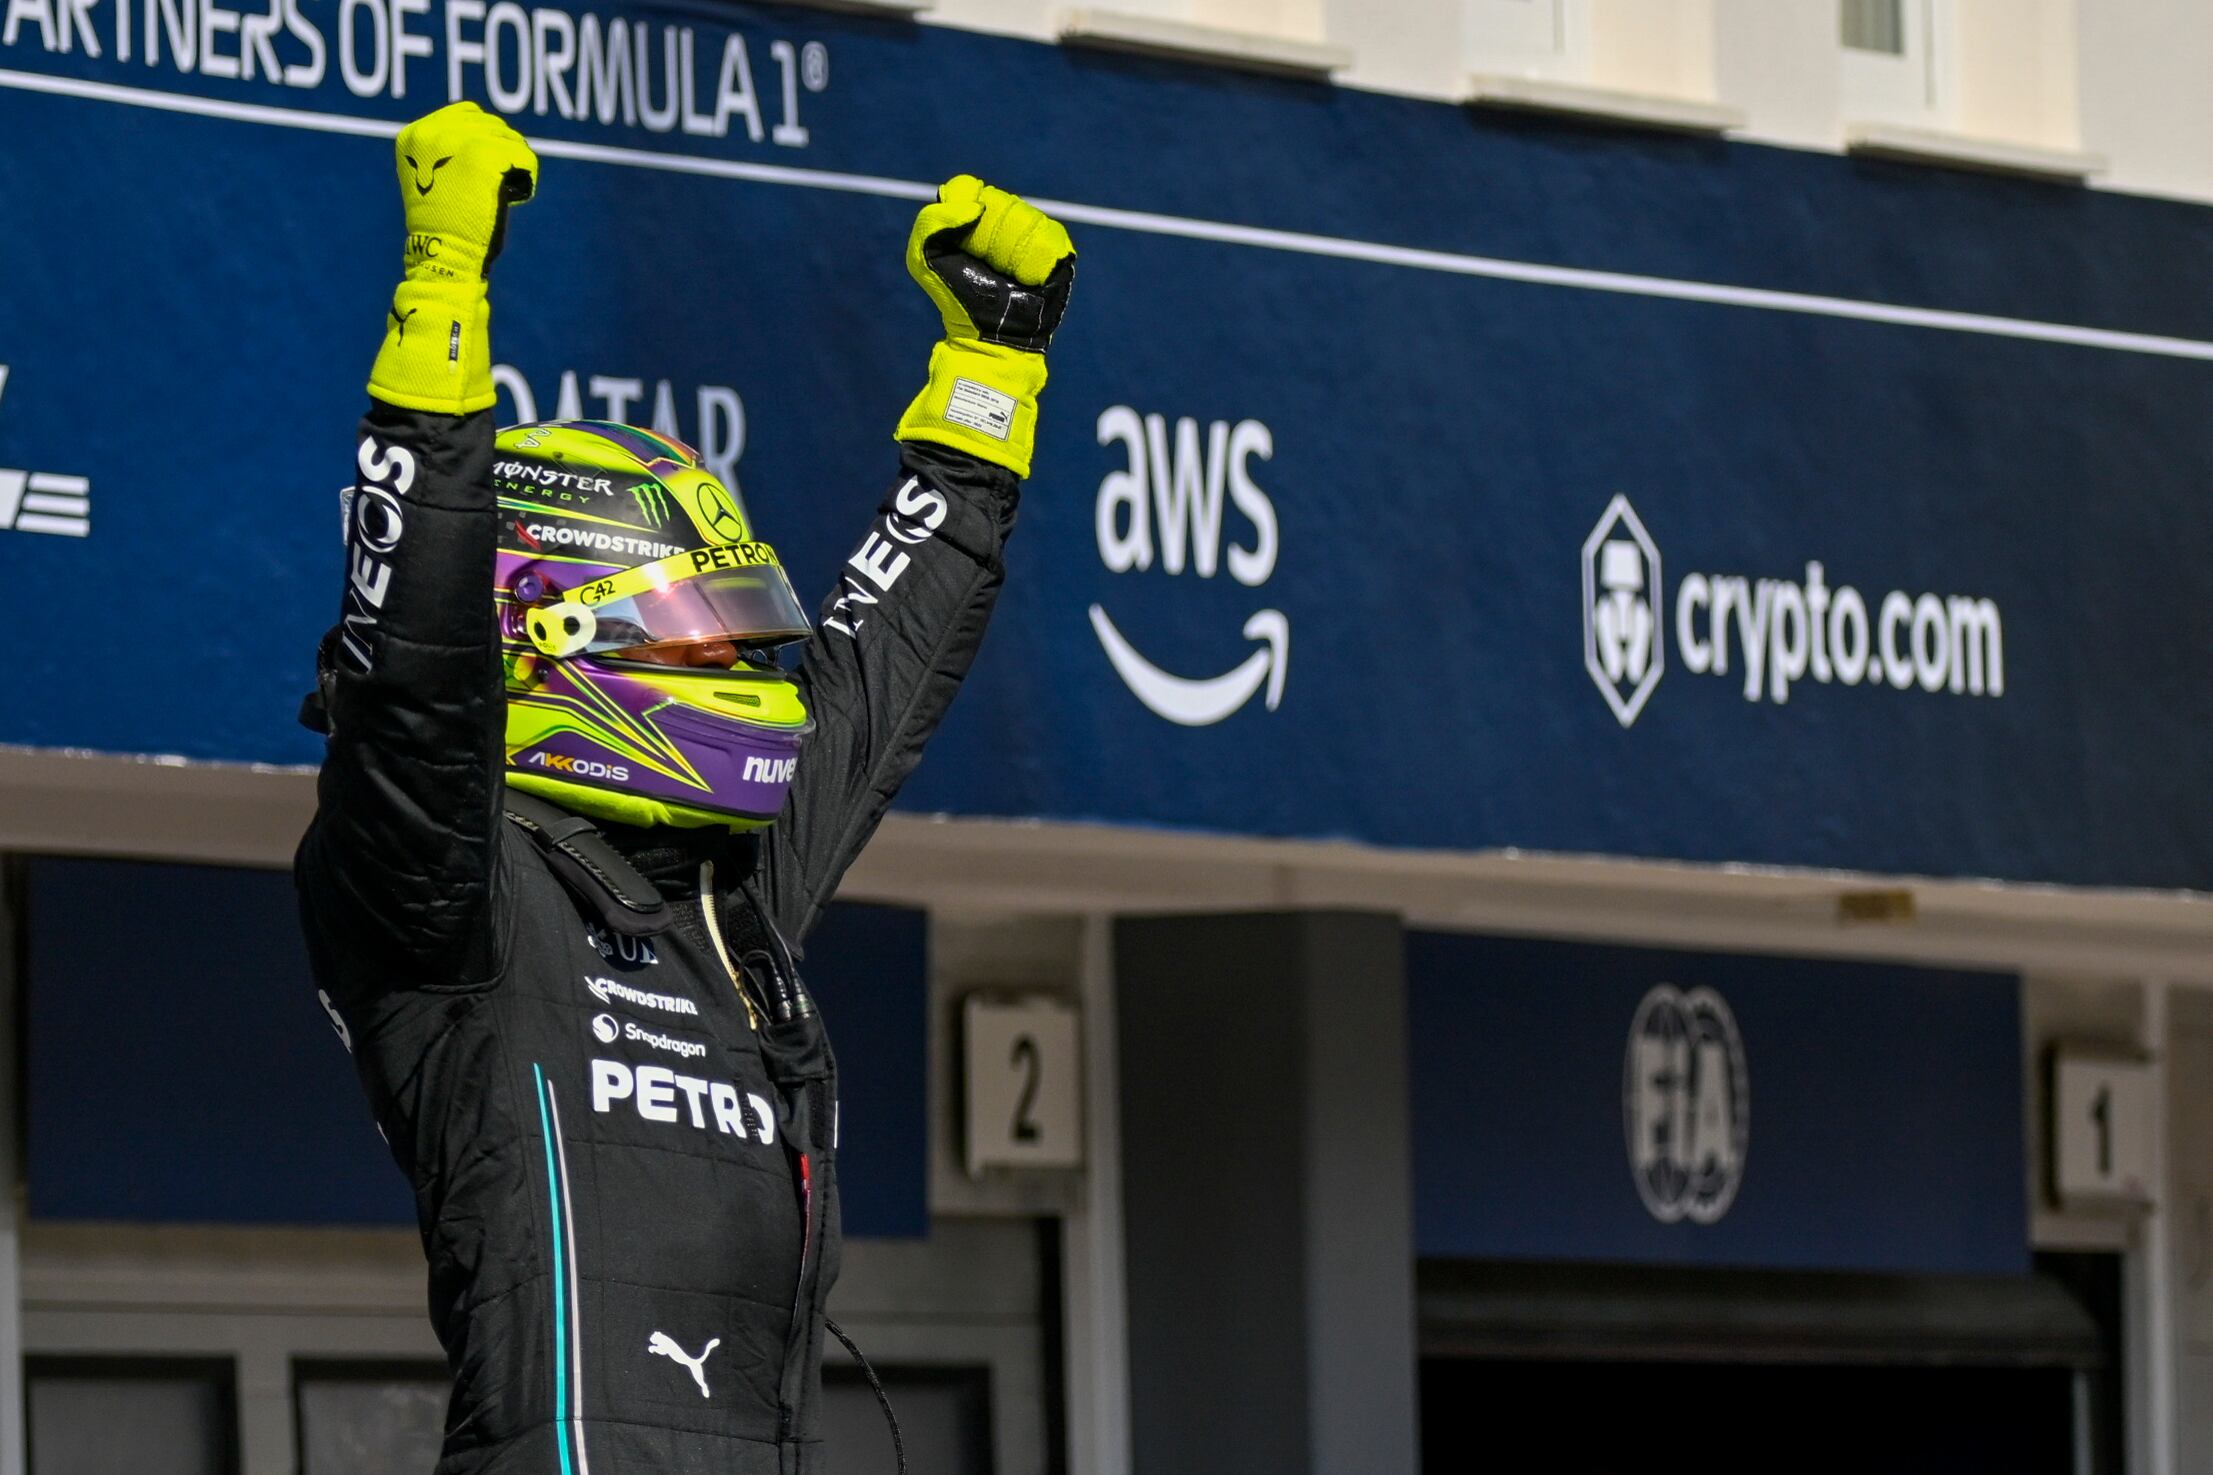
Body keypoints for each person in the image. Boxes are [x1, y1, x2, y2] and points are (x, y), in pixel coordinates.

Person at [295, 102, 1074, 1474]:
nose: (750, 671)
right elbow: (411, 671)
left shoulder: (725, 905)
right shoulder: (451, 904)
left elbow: (876, 672)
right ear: (544, 634)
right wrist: (439, 302)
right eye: (703, 633)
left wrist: (989, 374)